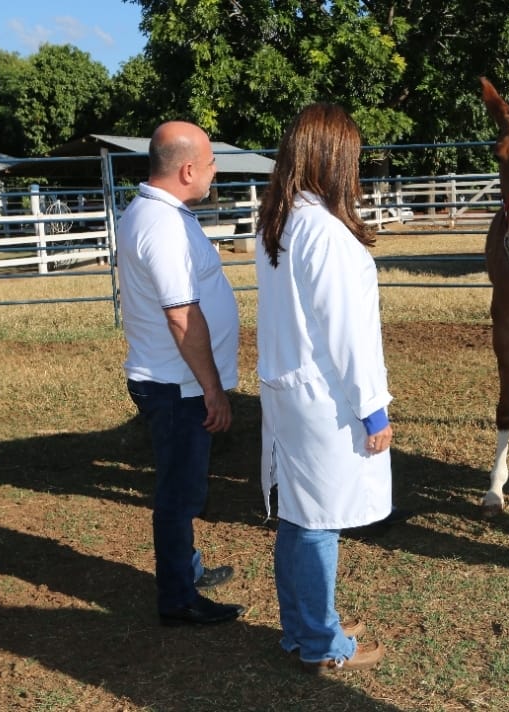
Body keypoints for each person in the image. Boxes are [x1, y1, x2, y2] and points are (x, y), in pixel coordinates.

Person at [256, 103, 393, 673]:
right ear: (335, 159)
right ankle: (320, 641)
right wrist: (373, 412)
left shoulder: (281, 222)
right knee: (318, 525)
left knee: (298, 514)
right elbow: (349, 337)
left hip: (289, 391)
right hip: (325, 401)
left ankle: (306, 623)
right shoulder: (326, 233)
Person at [116, 121, 245, 626]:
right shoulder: (164, 225)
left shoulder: (158, 212)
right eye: (212, 162)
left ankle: (185, 570)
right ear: (189, 169)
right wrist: (212, 388)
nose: (216, 171)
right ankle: (177, 598)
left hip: (175, 379)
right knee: (179, 493)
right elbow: (181, 314)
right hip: (177, 385)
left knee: (182, 485)